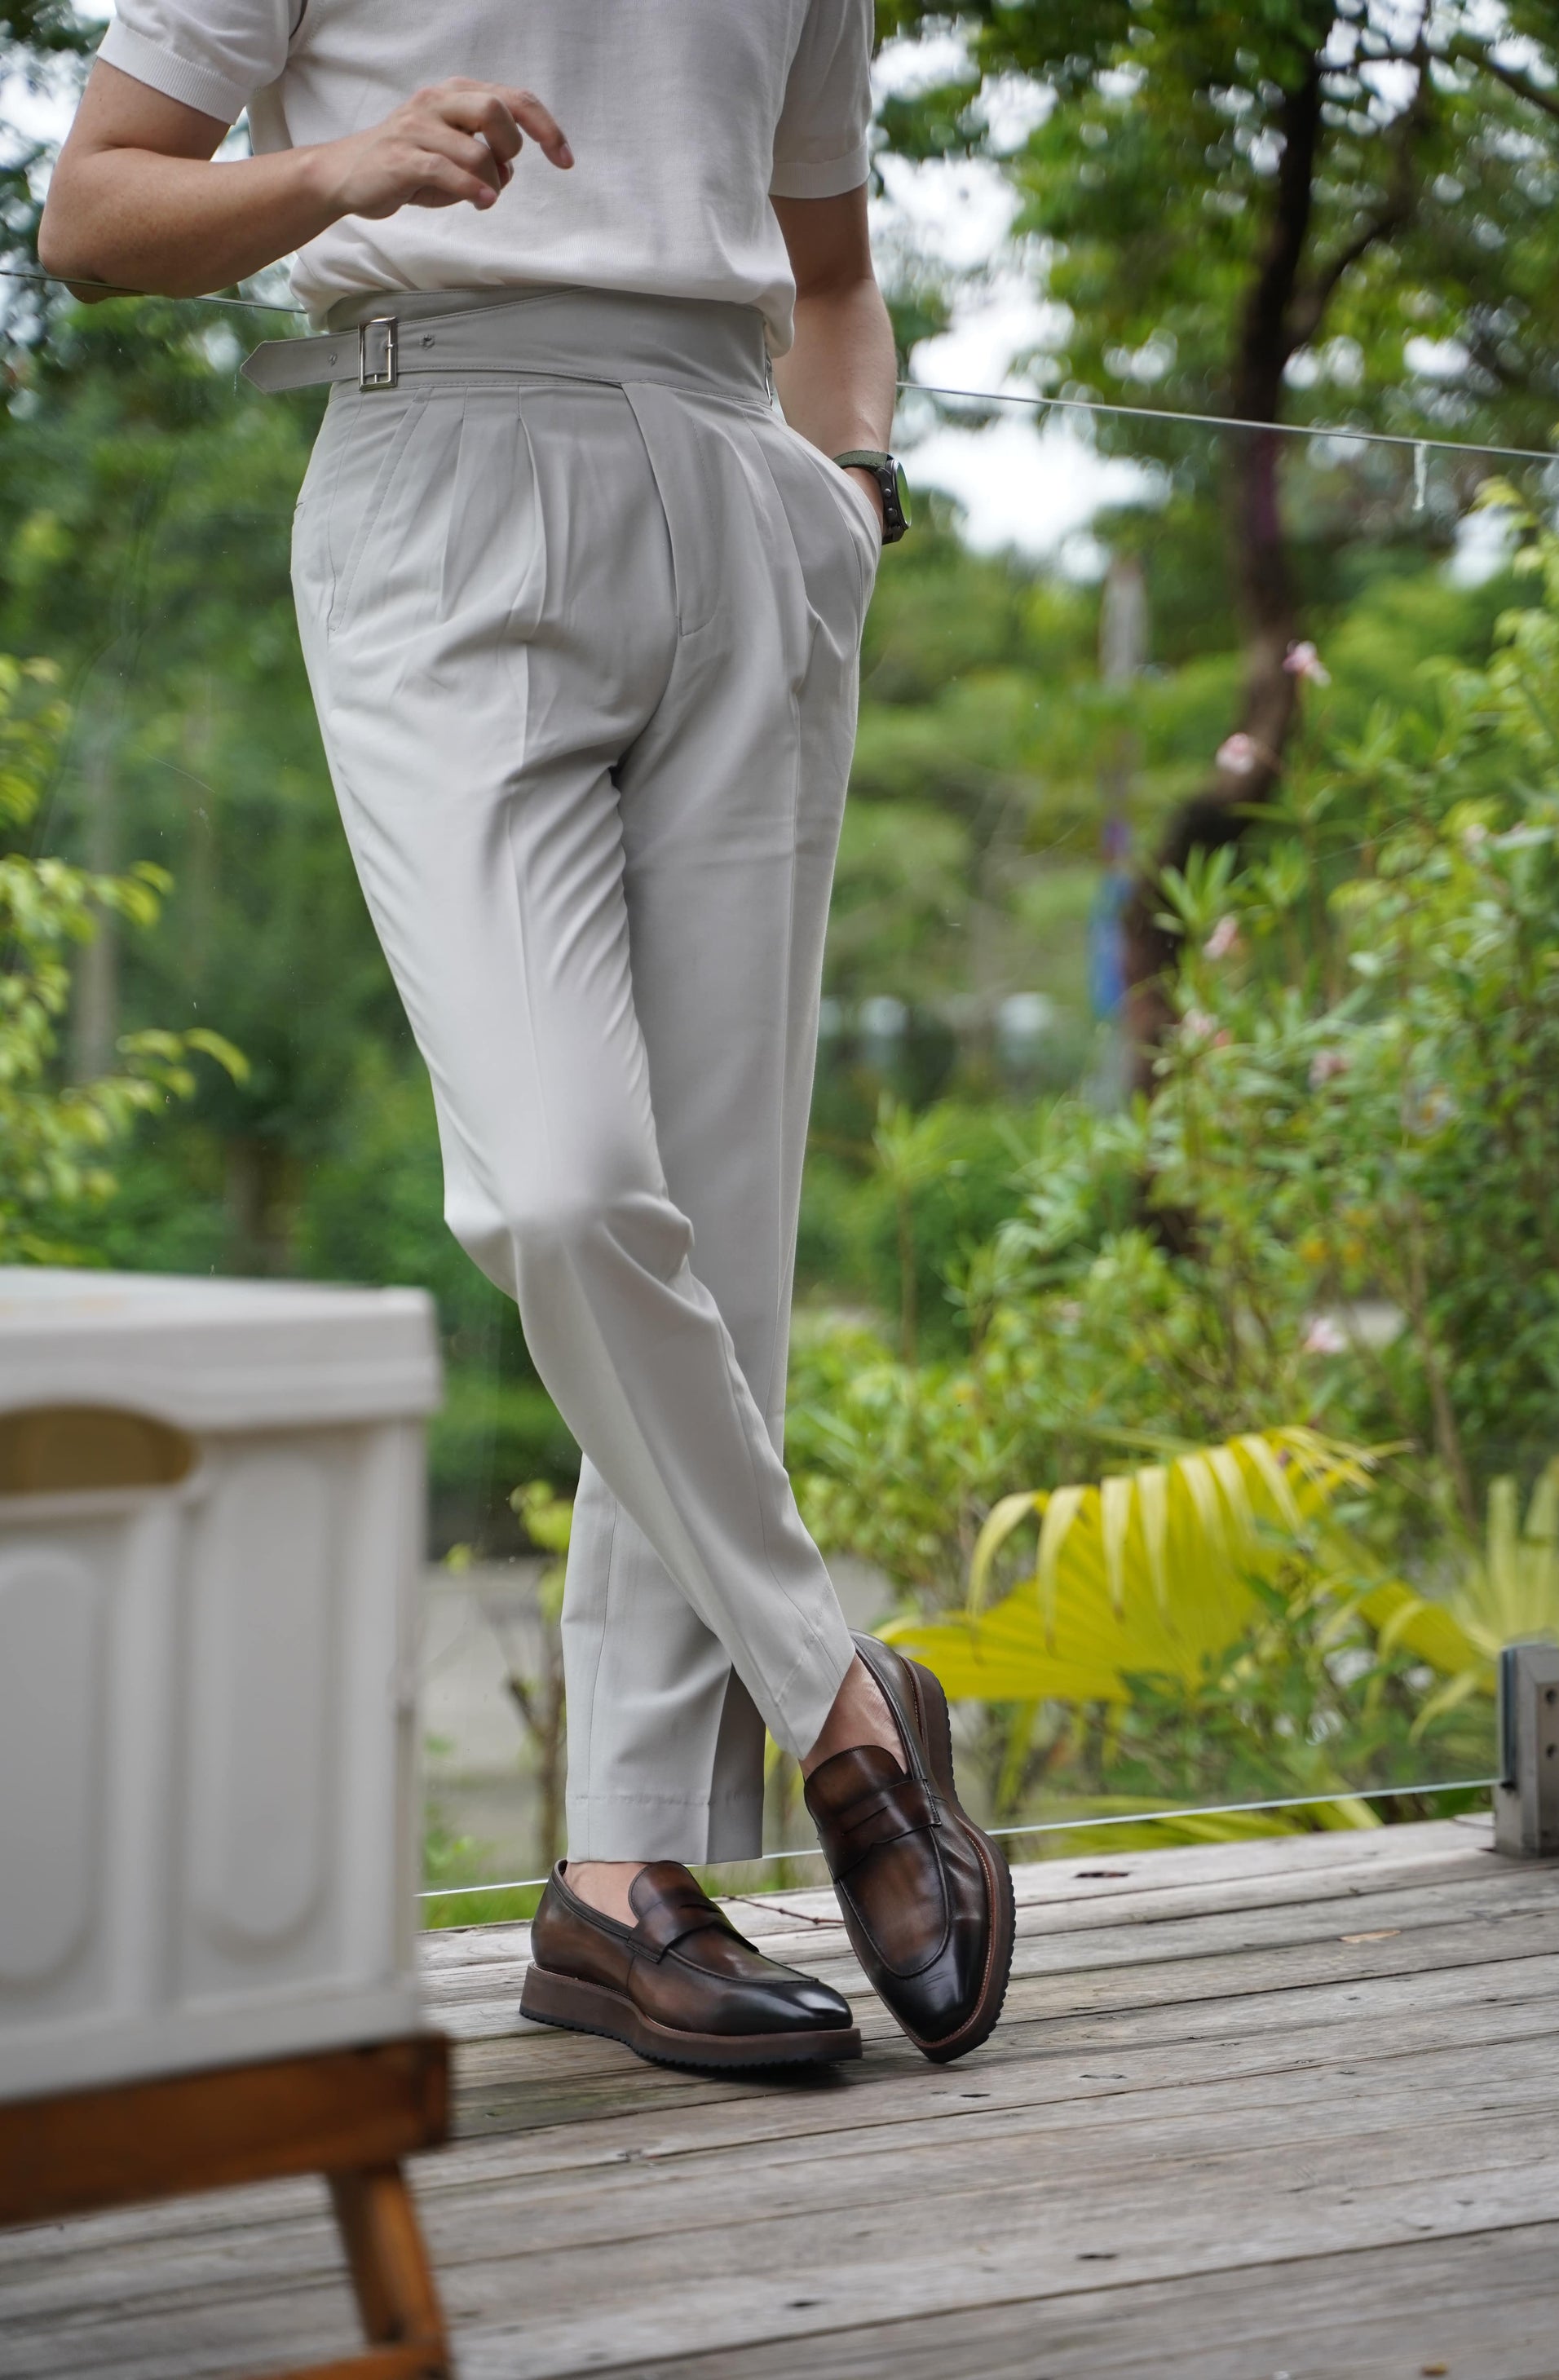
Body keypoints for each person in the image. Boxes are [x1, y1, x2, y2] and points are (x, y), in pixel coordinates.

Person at [41, 1, 1014, 2072]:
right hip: (438, 473)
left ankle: (620, 1879)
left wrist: (848, 493)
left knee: (717, 1222)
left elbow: (828, 267)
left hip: (749, 505)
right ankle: (844, 1700)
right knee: (562, 1183)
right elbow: (94, 216)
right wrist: (337, 170)